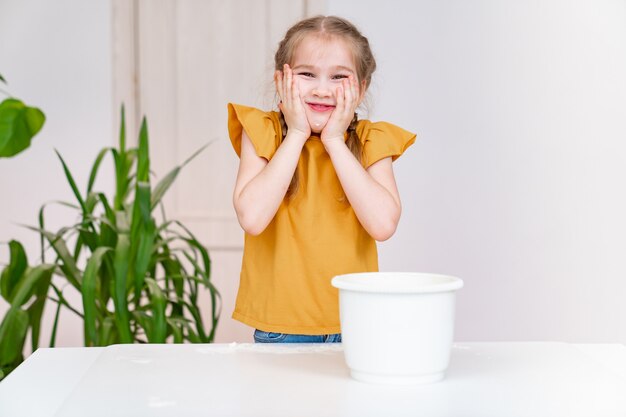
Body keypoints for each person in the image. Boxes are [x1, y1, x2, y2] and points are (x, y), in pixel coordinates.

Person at [227, 15, 416, 343]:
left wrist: (333, 141)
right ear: (280, 80)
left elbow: (383, 224)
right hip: (282, 327)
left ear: (362, 87)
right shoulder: (263, 131)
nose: (321, 89)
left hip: (355, 323)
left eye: (338, 77)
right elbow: (253, 218)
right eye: (306, 74)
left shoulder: (372, 139)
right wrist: (298, 132)